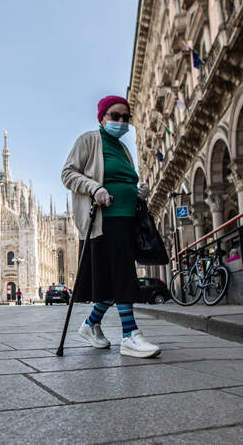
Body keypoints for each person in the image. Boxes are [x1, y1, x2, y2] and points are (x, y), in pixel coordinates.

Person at [61, 95, 160, 359]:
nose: (120, 121)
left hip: (128, 218)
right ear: (102, 118)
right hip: (104, 220)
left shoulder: (124, 149)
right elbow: (68, 174)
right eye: (114, 116)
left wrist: (138, 191)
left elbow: (125, 178)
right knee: (122, 273)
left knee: (114, 277)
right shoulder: (89, 140)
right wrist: (95, 187)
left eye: (125, 118)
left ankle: (90, 324)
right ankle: (130, 335)